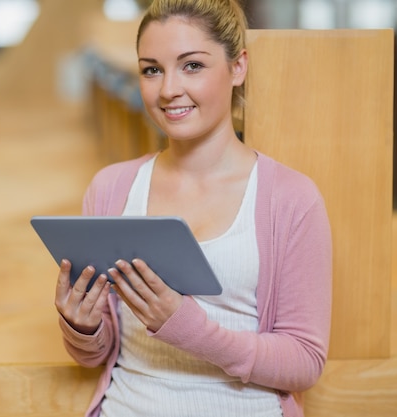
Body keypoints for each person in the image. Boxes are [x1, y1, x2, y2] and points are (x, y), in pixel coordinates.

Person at [54, 1, 332, 416]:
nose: (168, 89)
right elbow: (97, 353)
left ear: (237, 67)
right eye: (151, 69)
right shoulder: (112, 188)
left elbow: (305, 362)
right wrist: (82, 325)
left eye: (192, 66)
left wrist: (188, 328)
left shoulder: (291, 198)